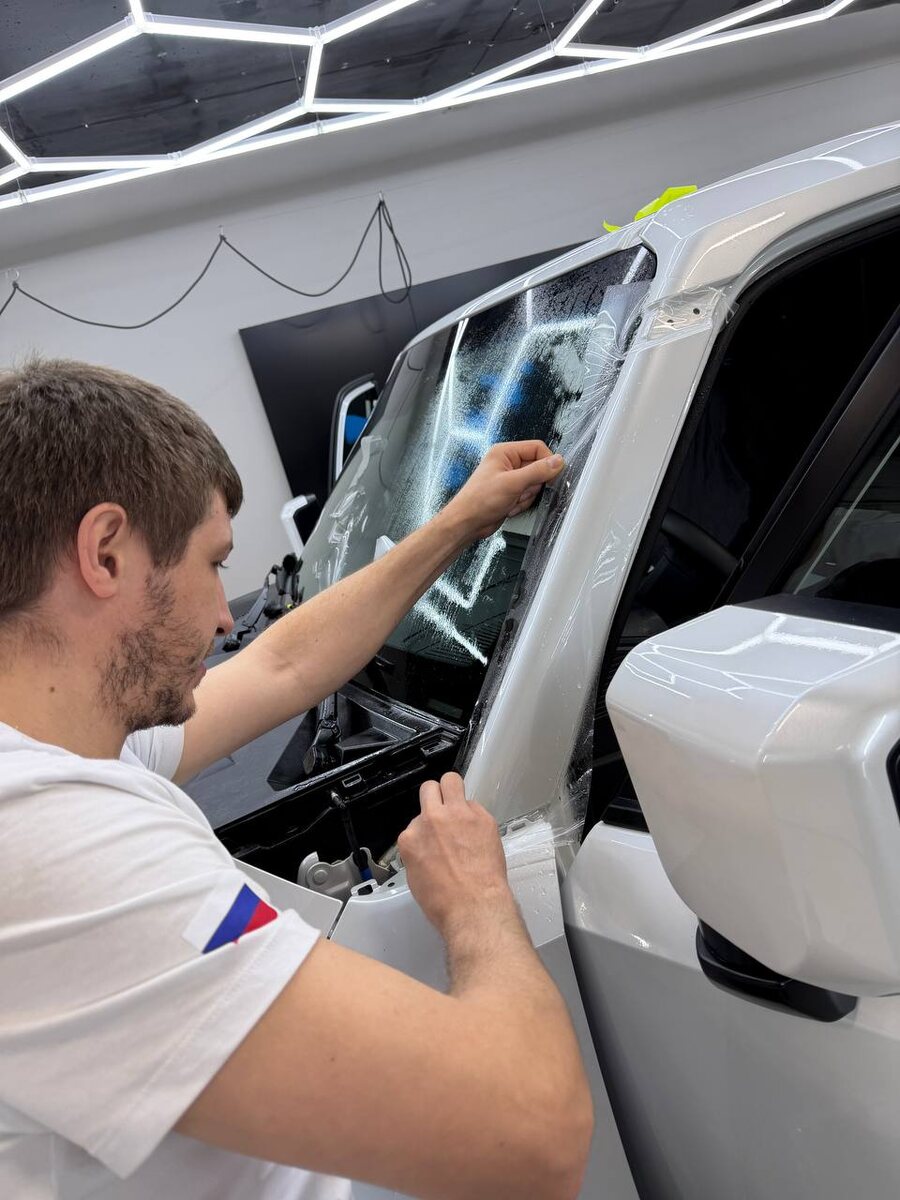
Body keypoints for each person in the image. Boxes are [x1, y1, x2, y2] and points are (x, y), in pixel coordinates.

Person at [0, 359, 593, 1200]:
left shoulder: (65, 747)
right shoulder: (53, 843)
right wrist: (478, 905)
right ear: (104, 553)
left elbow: (283, 664)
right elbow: (534, 1133)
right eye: (214, 563)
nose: (225, 616)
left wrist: (459, 522)